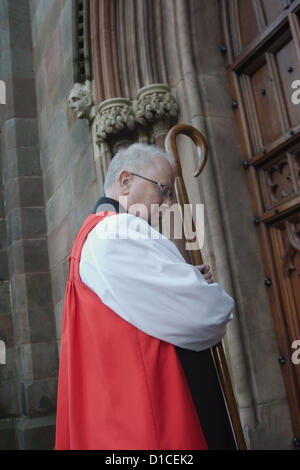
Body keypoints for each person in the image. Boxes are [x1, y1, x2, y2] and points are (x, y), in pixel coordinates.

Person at [55, 143, 235, 450]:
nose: (168, 203)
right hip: (156, 417)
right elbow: (207, 314)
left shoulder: (100, 233)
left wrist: (186, 280)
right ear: (126, 181)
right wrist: (199, 288)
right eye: (163, 190)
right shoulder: (116, 232)